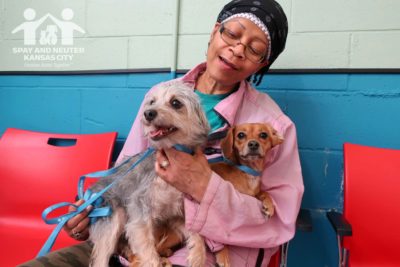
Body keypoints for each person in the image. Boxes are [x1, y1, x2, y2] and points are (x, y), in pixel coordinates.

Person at [19, 0, 303, 266]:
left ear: (262, 64)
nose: (238, 50)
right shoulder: (158, 97)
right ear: (215, 32)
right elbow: (126, 174)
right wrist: (91, 214)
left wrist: (206, 186)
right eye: (232, 34)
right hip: (130, 242)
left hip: (204, 255)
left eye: (254, 49)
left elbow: (278, 222)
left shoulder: (273, 125)